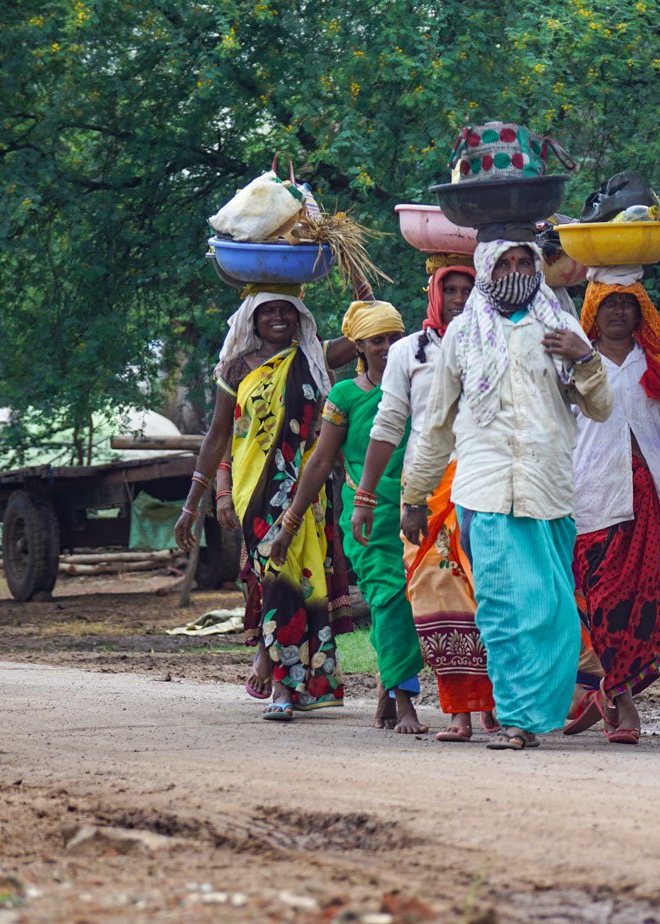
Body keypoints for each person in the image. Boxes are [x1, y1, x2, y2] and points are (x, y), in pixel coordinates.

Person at [400, 240, 612, 751]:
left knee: (553, 611)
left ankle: (538, 714)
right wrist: (414, 495)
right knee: (501, 608)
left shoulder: (561, 327)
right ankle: (518, 719)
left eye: (524, 262)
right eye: (504, 263)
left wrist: (584, 359)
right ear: (485, 270)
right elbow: (435, 425)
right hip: (485, 490)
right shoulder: (464, 336)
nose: (515, 272)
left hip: (549, 492)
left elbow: (601, 407)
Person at [175, 290, 358, 721]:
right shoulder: (237, 368)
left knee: (304, 580)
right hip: (257, 492)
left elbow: (367, 330)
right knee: (278, 577)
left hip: (309, 492)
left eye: (286, 310)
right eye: (267, 311)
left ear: (300, 318)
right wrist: (194, 502)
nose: (278, 317)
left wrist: (358, 280)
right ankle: (282, 683)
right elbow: (218, 435)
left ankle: (282, 670)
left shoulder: (315, 356)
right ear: (251, 321)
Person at [268, 299, 431, 734]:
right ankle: (404, 700)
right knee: (390, 601)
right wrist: (290, 522)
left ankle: (389, 681)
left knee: (425, 605)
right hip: (370, 518)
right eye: (377, 340)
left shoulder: (423, 386)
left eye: (395, 338)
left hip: (427, 510)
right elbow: (320, 463)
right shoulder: (342, 397)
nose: (387, 347)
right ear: (359, 345)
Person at [352, 262, 499, 743]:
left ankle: (500, 707)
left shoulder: (497, 339)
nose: (458, 298)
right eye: (449, 289)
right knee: (438, 598)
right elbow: (390, 422)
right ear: (435, 294)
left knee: (492, 594)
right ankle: (459, 712)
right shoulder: (408, 352)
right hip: (426, 492)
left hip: (488, 481)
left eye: (467, 288)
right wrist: (367, 496)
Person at [571, 280, 660, 744]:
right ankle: (617, 696)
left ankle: (617, 699)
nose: (618, 312)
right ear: (592, 312)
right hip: (592, 501)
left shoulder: (657, 366)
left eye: (628, 304)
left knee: (644, 610)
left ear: (641, 313)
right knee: (602, 605)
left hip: (651, 505)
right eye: (609, 303)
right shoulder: (575, 364)